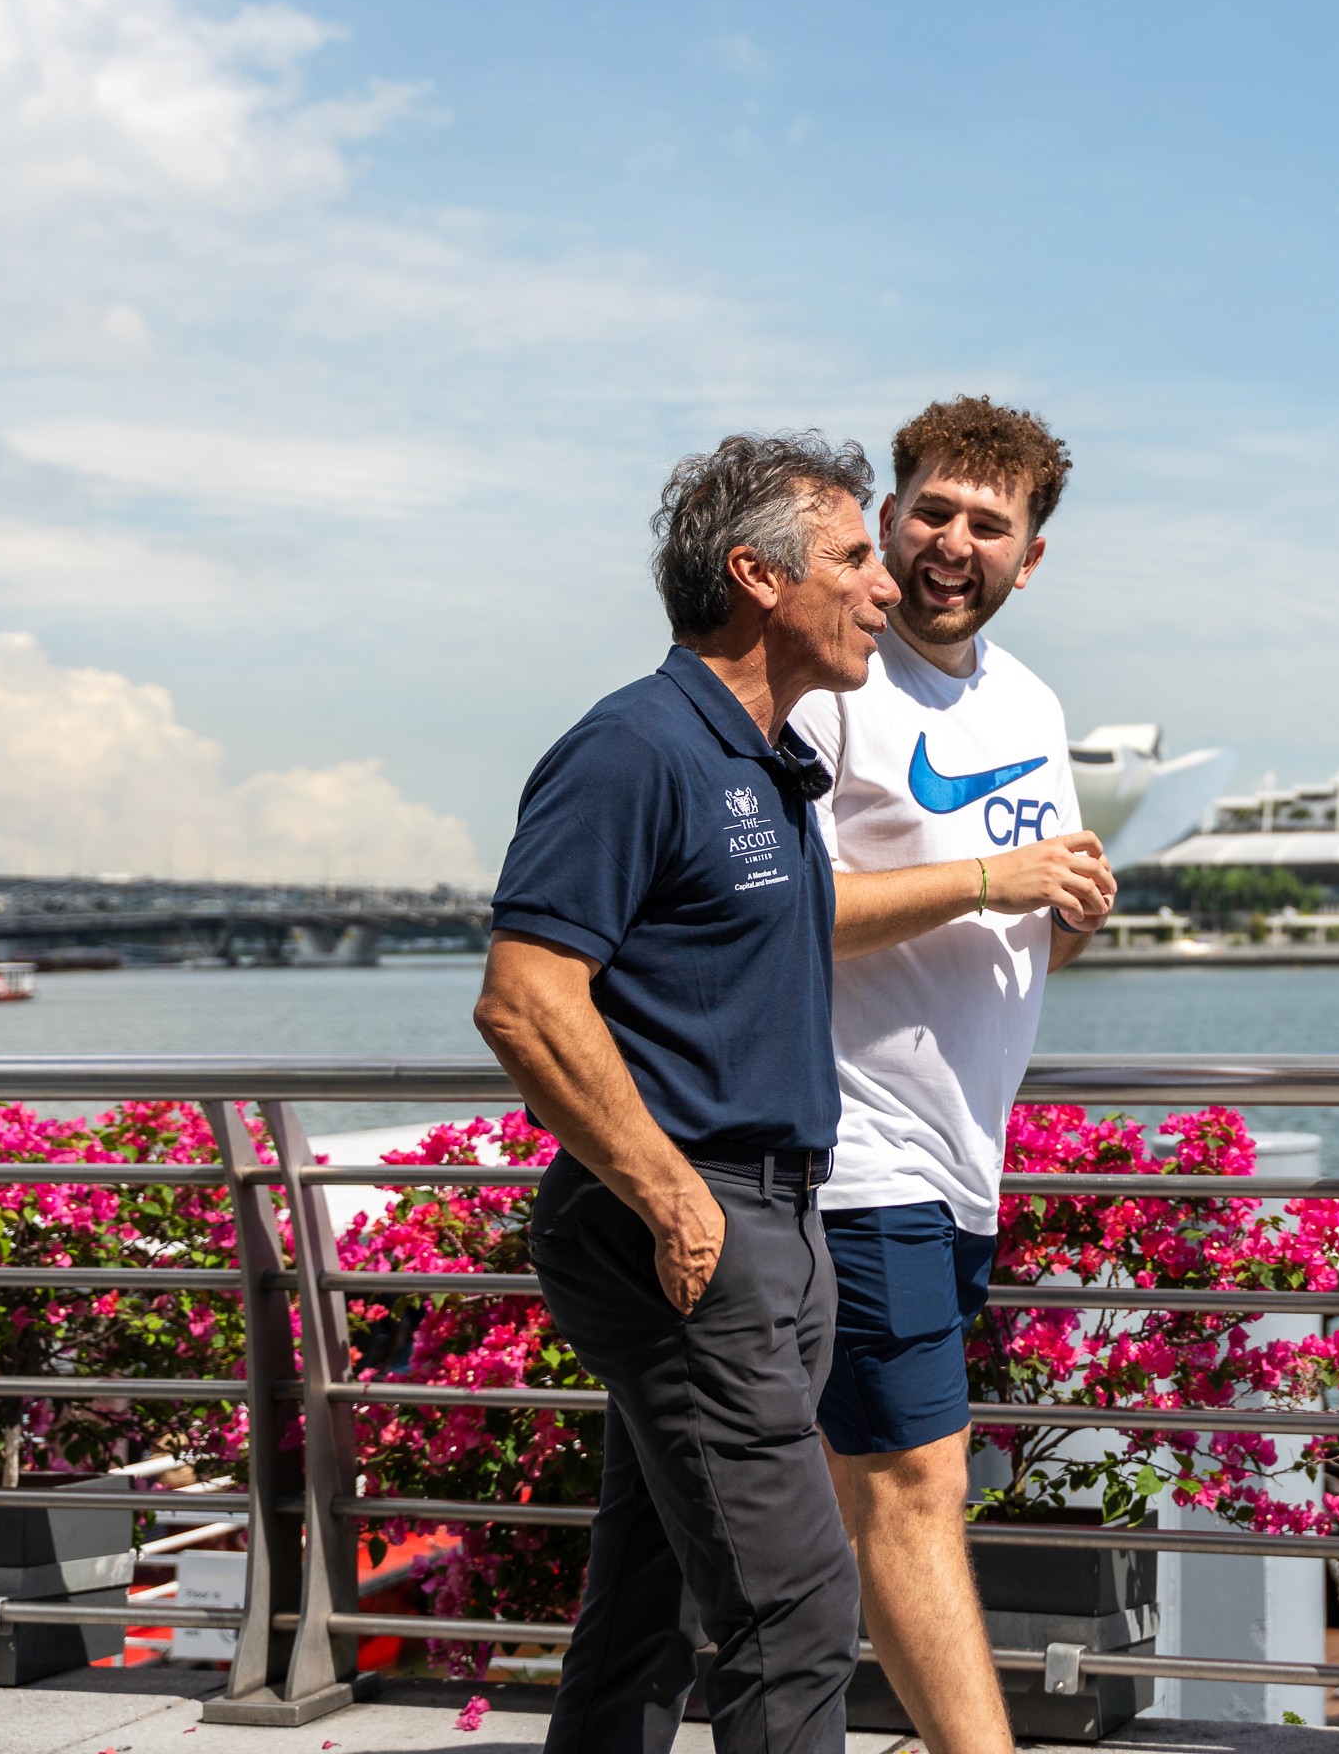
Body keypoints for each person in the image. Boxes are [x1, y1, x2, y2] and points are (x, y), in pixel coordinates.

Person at [474, 433, 900, 1754]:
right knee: (796, 1615)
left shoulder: (768, 765)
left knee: (651, 1599)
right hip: (689, 1224)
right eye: (855, 555)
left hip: (773, 1217)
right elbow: (524, 996)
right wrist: (669, 1198)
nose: (884, 586)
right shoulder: (636, 748)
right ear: (756, 575)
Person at [790, 397, 1117, 1754]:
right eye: (932, 510)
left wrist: (1073, 914)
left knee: (856, 1492)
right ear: (888, 515)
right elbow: (777, 914)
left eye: (989, 525)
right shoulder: (834, 687)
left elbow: (1025, 902)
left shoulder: (1030, 699)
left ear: (1028, 559)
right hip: (859, 1155)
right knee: (914, 1493)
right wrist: (994, 876)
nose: (951, 542)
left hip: (967, 1158)